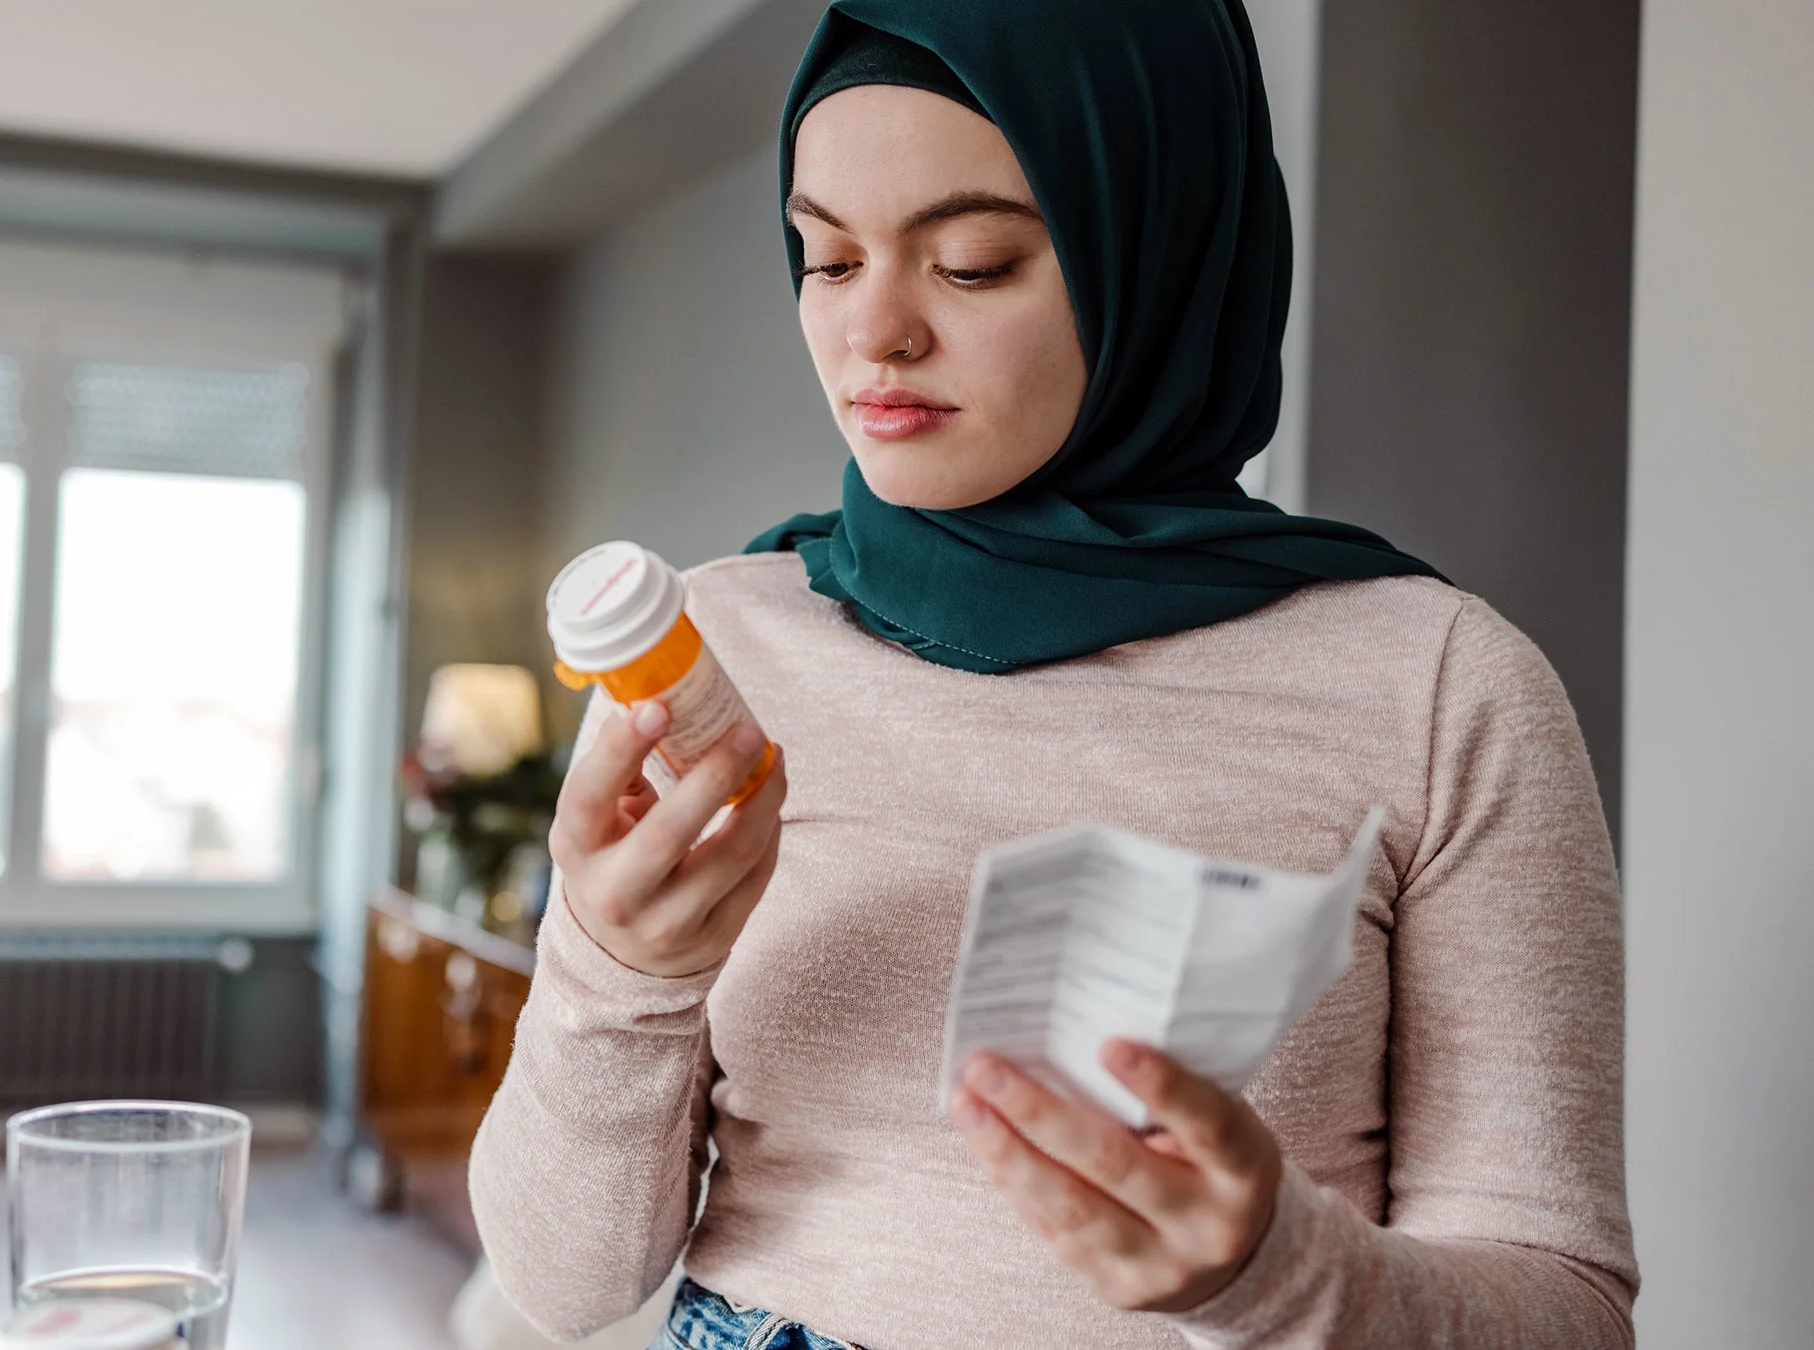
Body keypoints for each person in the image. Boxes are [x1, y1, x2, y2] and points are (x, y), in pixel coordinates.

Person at [467, 1, 1636, 1345]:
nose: (877, 333)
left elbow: (1569, 1311)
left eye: (970, 263)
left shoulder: (1442, 690)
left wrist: (1280, 1272)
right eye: (827, 257)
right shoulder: (716, 652)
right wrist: (617, 969)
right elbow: (561, 1290)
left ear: (1159, 249)